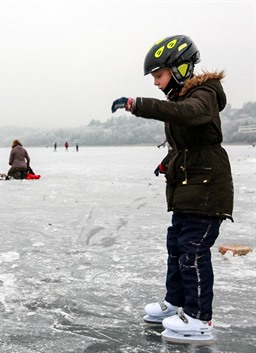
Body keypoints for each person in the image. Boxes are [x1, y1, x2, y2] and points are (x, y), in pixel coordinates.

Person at [111, 35, 234, 342]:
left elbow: (189, 115)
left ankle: (200, 318)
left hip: (207, 187)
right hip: (188, 186)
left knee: (193, 250)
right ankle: (175, 304)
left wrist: (137, 105)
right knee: (177, 247)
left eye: (158, 75)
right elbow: (189, 142)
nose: (156, 83)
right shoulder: (180, 99)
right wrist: (169, 161)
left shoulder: (204, 94)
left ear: (179, 68)